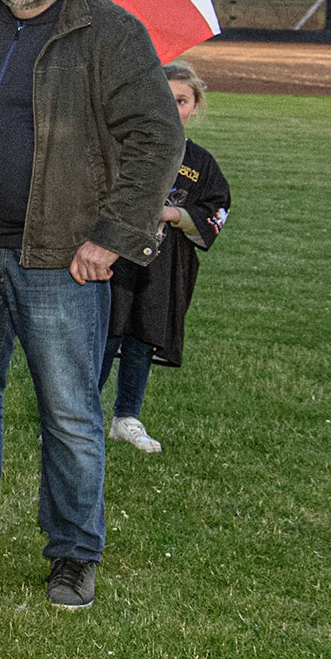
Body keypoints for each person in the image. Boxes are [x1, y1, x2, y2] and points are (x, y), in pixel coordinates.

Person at [0, 0, 185, 613]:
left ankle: (75, 551)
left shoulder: (107, 31)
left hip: (60, 256)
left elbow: (157, 138)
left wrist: (112, 235)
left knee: (70, 411)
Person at [101, 60, 230, 455]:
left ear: (195, 106)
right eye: (164, 97)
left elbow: (218, 207)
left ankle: (127, 417)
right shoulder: (124, 146)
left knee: (144, 336)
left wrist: (174, 213)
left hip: (165, 264)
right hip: (114, 257)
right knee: (105, 334)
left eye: (182, 100)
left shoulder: (201, 162)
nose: (173, 107)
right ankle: (78, 417)